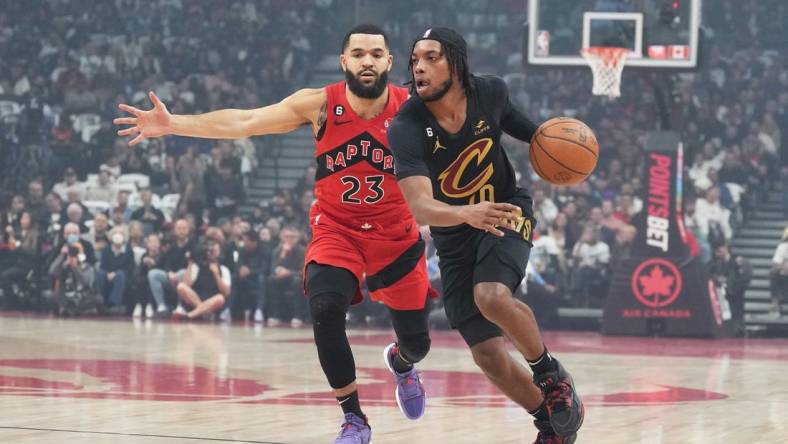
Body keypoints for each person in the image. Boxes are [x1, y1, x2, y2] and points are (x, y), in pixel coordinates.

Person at [115, 24, 433, 443]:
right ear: (344, 61)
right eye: (358, 54)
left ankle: (402, 362)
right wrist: (175, 124)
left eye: (376, 54)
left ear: (391, 62)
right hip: (337, 230)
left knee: (418, 342)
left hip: (397, 235)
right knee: (324, 309)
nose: (367, 61)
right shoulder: (319, 104)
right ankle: (354, 418)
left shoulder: (413, 108)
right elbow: (245, 121)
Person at [388, 28, 583, 443]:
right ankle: (550, 424)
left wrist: (568, 155)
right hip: (455, 236)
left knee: (491, 295)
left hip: (505, 210)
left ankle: (552, 378)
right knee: (489, 355)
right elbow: (420, 207)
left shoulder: (490, 93)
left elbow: (537, 137)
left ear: (456, 62)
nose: (419, 66)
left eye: (431, 57)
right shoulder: (406, 126)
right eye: (415, 60)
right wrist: (465, 212)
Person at [175, 239, 231, 320]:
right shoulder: (196, 266)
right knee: (181, 286)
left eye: (214, 251)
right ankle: (204, 312)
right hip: (194, 301)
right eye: (209, 250)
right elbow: (187, 285)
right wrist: (191, 263)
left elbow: (226, 293)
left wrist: (216, 274)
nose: (211, 253)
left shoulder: (224, 269)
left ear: (220, 253)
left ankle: (190, 316)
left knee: (220, 298)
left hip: (212, 303)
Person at [769, 227, 788, 318]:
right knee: (773, 273)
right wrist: (783, 267)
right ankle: (775, 303)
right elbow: (775, 263)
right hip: (784, 275)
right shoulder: (782, 247)